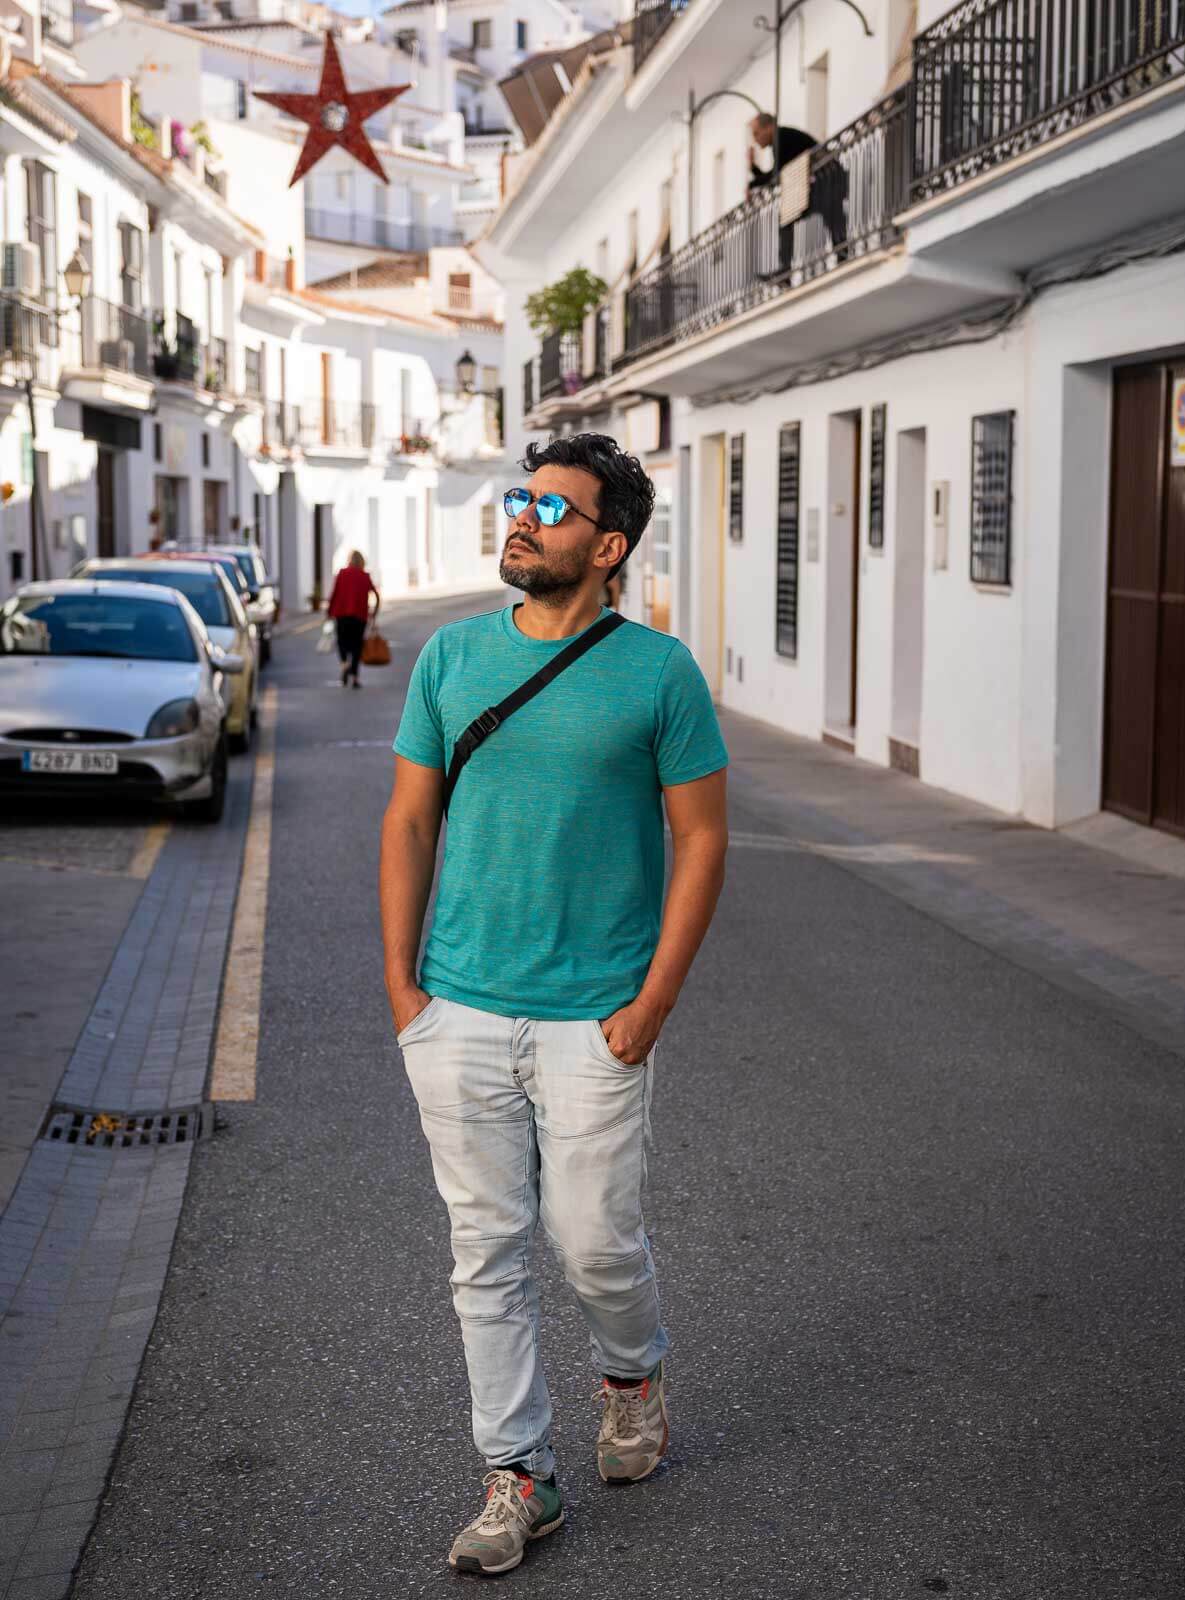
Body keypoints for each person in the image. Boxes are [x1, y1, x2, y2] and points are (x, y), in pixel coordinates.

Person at [380, 433, 729, 1576]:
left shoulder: (660, 674)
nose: (521, 518)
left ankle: (631, 1379)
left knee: (593, 1244)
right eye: (520, 499)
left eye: (553, 508)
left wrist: (655, 1002)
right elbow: (410, 821)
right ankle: (517, 1475)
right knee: (483, 1250)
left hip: (597, 1013)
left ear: (609, 545)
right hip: (462, 1008)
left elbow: (701, 838)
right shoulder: (451, 658)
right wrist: (404, 989)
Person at [748, 110, 847, 276]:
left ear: (769, 128)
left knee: (825, 215)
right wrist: (754, 172)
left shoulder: (781, 138)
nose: (755, 139)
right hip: (823, 180)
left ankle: (841, 254)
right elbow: (777, 176)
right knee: (792, 218)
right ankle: (841, 254)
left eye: (757, 133)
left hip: (827, 179)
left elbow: (775, 176)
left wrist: (753, 179)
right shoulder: (782, 137)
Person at [326, 549, 379, 688]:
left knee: (342, 641)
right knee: (357, 646)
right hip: (359, 616)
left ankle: (344, 664)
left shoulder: (342, 573)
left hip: (342, 614)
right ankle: (355, 678)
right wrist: (374, 614)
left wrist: (329, 611)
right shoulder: (365, 576)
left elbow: (334, 593)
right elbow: (376, 594)